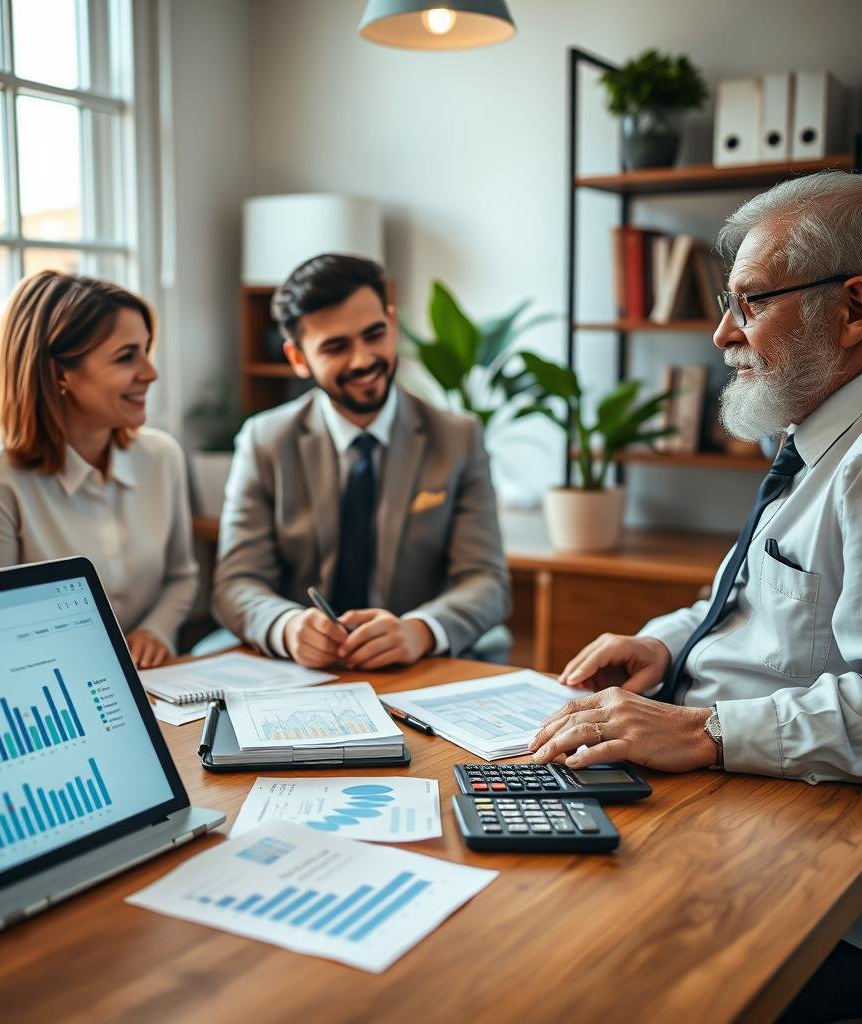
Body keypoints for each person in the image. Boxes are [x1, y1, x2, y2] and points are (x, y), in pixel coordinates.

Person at [527, 170, 862, 1024]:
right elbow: (753, 598)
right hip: (719, 788)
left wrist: (705, 729)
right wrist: (665, 644)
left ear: (853, 310)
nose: (721, 333)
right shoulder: (811, 440)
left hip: (783, 838)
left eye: (750, 303)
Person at [212, 253, 511, 670]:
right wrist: (287, 626)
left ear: (390, 322)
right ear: (298, 359)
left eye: (374, 335)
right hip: (300, 671)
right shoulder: (265, 440)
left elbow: (486, 581)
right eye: (336, 347)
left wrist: (419, 630)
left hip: (416, 666)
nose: (363, 359)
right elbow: (236, 583)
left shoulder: (457, 438)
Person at [0, 271, 198, 669]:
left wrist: (156, 630)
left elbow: (181, 576)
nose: (151, 372)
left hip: (154, 682)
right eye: (126, 356)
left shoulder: (162, 456)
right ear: (60, 372)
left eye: (147, 350)